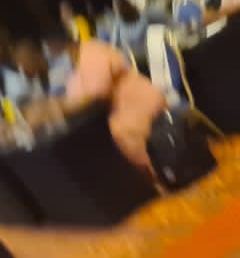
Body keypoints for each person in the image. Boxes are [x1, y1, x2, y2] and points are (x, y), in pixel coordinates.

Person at [55, 37, 169, 175]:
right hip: (120, 117)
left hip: (136, 109)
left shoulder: (92, 52)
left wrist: (57, 109)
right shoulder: (71, 67)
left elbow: (98, 96)